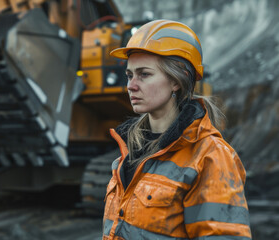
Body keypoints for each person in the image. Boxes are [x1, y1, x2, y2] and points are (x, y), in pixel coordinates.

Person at [103, 19, 251, 239]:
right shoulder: (129, 152)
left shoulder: (210, 157)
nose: (131, 85)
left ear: (176, 81)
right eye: (129, 75)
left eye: (144, 74)